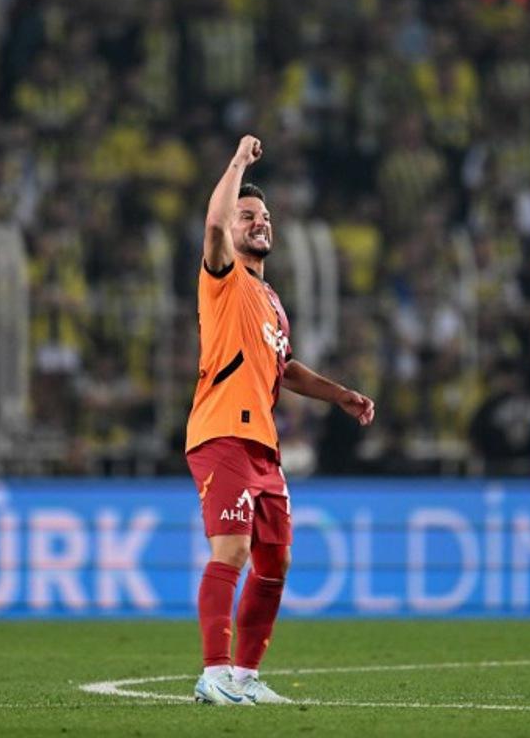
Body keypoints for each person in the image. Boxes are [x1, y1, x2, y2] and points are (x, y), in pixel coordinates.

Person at [185, 135, 375, 705]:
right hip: (222, 432)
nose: (258, 223)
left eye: (264, 216)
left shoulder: (270, 301)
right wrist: (238, 164)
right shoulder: (223, 277)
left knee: (276, 560)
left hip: (263, 444)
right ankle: (213, 672)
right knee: (233, 551)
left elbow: (282, 367)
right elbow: (214, 226)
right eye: (248, 215)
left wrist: (339, 394)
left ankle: (245, 677)